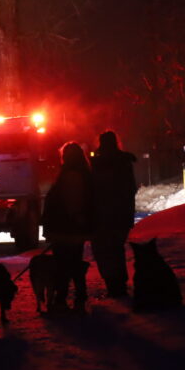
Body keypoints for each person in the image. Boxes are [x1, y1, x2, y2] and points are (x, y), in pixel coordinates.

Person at [40, 142, 94, 313]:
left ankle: (63, 298)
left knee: (63, 265)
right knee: (75, 263)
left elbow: (70, 202)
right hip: (73, 228)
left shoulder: (70, 175)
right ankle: (79, 296)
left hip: (65, 228)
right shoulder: (82, 174)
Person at [91, 131, 138, 298]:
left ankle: (112, 284)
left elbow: (93, 191)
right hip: (121, 215)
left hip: (101, 216)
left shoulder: (97, 164)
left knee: (103, 250)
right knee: (117, 249)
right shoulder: (124, 162)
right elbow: (131, 189)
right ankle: (120, 284)